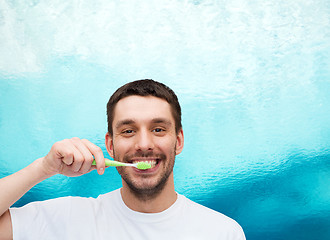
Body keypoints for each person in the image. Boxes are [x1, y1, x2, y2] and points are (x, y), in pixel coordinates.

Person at [0, 79, 245, 239]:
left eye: (158, 129)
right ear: (110, 145)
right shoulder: (66, 219)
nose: (144, 144)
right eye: (128, 131)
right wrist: (43, 168)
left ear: (178, 141)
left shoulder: (223, 232)